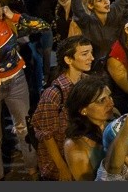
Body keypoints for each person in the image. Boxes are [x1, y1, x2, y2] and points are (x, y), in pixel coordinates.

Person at [33, 36, 95, 181]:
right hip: (61, 161)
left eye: (91, 53)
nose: (91, 58)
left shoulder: (88, 82)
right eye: (84, 54)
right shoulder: (53, 94)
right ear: (68, 60)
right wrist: (62, 168)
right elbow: (46, 135)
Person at [0, 0, 39, 181]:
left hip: (16, 81)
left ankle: (32, 168)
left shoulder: (8, 21)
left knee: (24, 127)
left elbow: (41, 27)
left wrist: (15, 17)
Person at [63, 75, 118, 181]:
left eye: (110, 97)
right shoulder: (75, 145)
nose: (111, 103)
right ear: (83, 110)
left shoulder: (114, 119)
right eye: (102, 101)